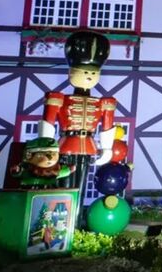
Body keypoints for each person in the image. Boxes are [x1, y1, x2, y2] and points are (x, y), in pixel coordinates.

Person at [38, 31, 117, 210]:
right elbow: (49, 123)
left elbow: (107, 126)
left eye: (93, 73)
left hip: (88, 146)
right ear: (72, 72)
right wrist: (46, 145)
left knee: (80, 183)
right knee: (62, 181)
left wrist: (107, 148)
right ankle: (59, 213)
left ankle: (76, 212)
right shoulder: (59, 99)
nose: (89, 76)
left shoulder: (103, 103)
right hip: (65, 145)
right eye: (84, 72)